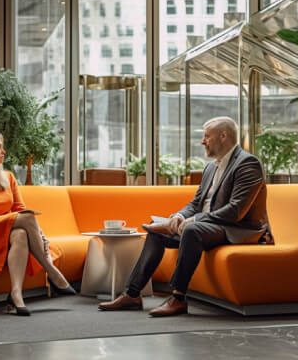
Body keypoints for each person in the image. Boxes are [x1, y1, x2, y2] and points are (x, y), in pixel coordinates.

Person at [98, 116, 273, 317]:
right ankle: (132, 294)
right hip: (210, 226)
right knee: (156, 231)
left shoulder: (247, 164)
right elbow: (197, 203)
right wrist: (179, 216)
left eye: (207, 136)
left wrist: (193, 220)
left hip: (239, 229)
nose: (202, 141)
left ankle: (178, 298)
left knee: (192, 230)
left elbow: (236, 211)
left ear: (223, 136)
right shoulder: (210, 167)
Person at [0, 131, 76, 317]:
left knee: (21, 233)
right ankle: (51, 270)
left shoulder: (8, 178)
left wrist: (27, 228)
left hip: (9, 231)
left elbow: (19, 207)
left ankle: (16, 294)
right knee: (25, 218)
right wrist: (7, 220)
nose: (4, 151)